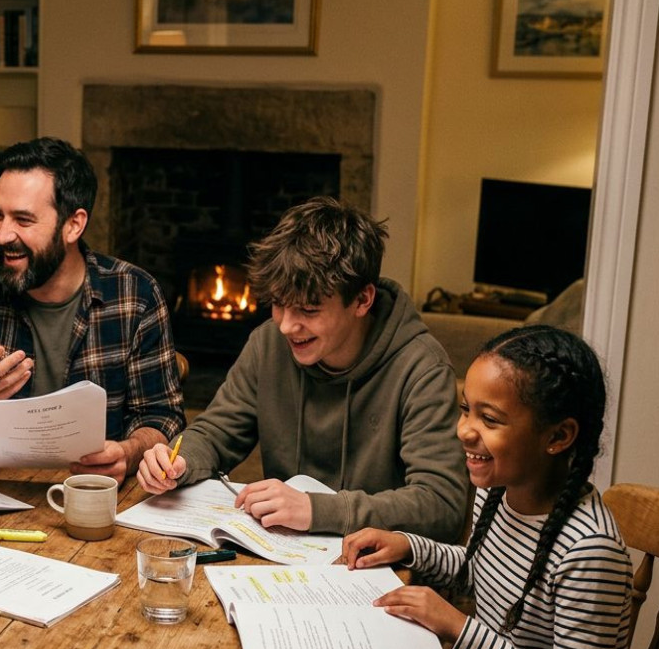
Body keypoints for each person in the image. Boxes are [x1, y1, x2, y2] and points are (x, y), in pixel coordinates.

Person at [343, 325, 631, 649]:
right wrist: (410, 546)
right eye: (465, 410)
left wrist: (458, 627)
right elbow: (483, 569)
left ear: (558, 436)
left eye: (489, 420)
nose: (465, 431)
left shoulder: (589, 550)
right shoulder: (498, 491)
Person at [136, 197, 467, 540]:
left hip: (377, 570)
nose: (285, 327)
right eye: (279, 304)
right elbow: (216, 432)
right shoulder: (268, 345)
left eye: (308, 311)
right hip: (283, 554)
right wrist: (180, 459)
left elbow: (442, 504)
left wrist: (316, 509)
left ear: (362, 300)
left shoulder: (422, 368)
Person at [0, 137, 185, 482]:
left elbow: (162, 417)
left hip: (94, 494)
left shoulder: (135, 295)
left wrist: (127, 454)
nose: (2, 235)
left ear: (73, 225)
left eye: (23, 220)